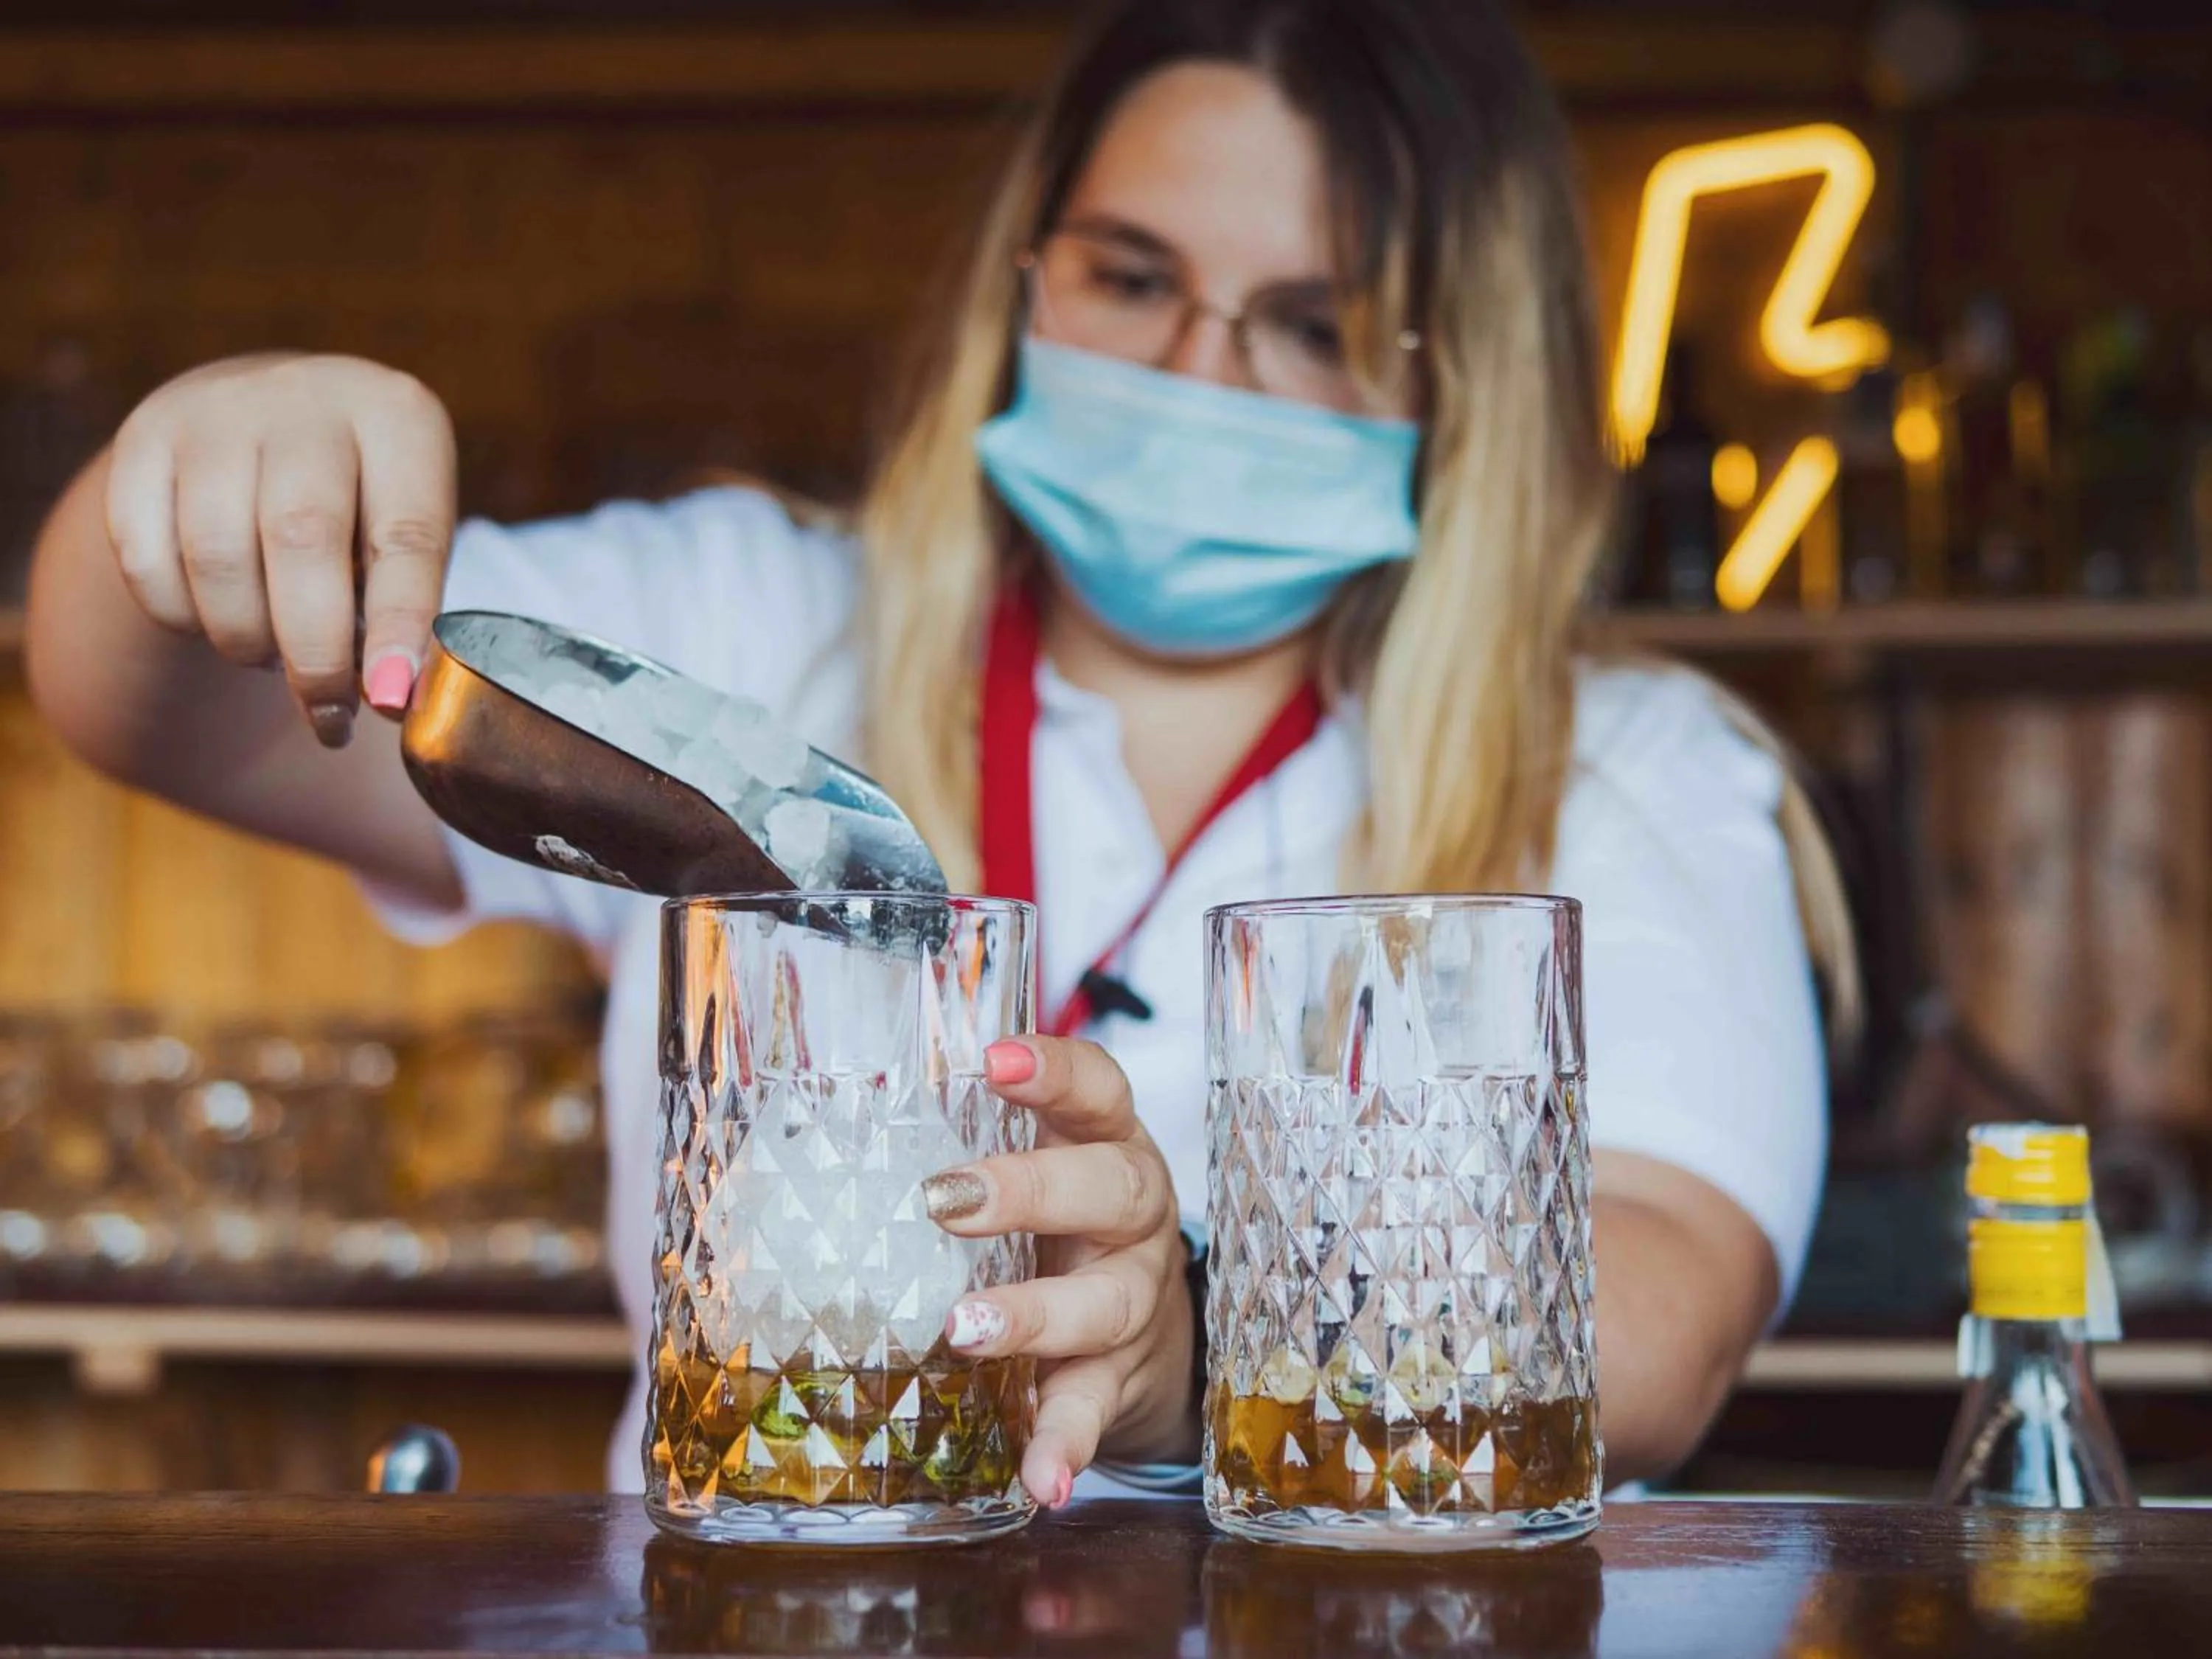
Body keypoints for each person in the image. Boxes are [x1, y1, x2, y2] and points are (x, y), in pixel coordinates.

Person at [27, 0, 1850, 1503]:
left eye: (1309, 325)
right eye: (1133, 280)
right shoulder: (746, 629)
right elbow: (143, 702)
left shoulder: (1629, 769)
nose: (1202, 378)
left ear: (1464, 383)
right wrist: (192, 472)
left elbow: (1660, 1333)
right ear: (1025, 288)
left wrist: (1186, 1349)